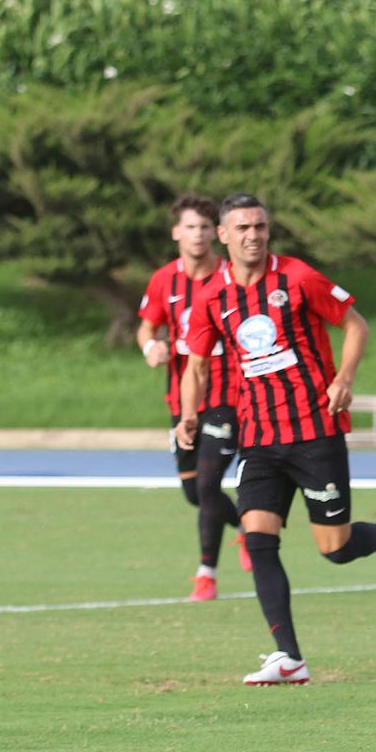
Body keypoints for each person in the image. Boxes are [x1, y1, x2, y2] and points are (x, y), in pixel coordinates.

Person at [179, 192, 376, 685]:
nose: (253, 235)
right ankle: (288, 657)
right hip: (258, 438)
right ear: (223, 235)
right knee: (258, 538)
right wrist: (190, 412)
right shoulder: (212, 297)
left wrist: (345, 379)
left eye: (261, 226)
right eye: (243, 228)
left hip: (316, 431)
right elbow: (197, 364)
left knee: (334, 549)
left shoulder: (297, 277)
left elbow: (355, 325)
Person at [136, 194, 246, 601]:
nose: (197, 235)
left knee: (208, 483)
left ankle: (206, 575)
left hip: (227, 394)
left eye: (204, 227)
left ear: (216, 233)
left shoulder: (233, 277)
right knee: (194, 492)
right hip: (182, 399)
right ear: (176, 232)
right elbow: (147, 328)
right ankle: (246, 530)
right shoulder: (164, 279)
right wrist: (152, 349)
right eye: (190, 227)